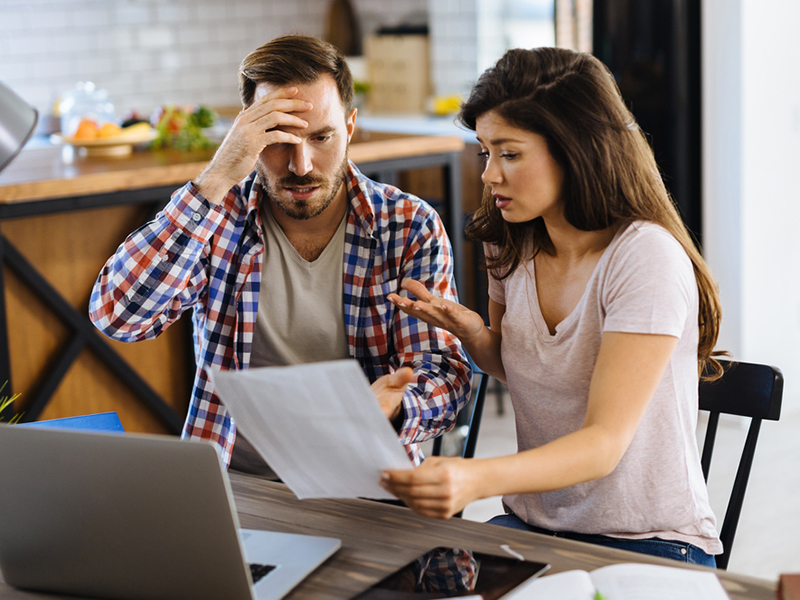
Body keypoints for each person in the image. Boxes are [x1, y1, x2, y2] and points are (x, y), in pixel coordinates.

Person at [381, 47, 724, 567]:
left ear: (575, 149)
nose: (488, 175)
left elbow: (604, 443)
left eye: (510, 153)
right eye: (485, 153)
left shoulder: (643, 256)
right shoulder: (510, 241)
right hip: (533, 525)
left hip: (650, 541)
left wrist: (474, 477)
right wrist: (475, 336)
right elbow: (522, 368)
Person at [89, 35, 471, 472]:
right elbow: (118, 317)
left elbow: (444, 377)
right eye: (278, 139)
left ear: (349, 127)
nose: (301, 165)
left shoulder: (407, 224)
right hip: (234, 482)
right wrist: (215, 178)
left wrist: (399, 406)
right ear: (247, 133)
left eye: (322, 137)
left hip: (370, 483)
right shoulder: (217, 217)